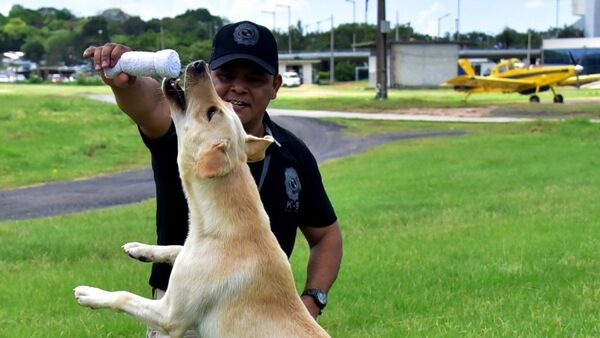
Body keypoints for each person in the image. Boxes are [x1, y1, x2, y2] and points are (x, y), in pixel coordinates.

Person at [83, 20, 342, 335]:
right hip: (181, 308)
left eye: (254, 78)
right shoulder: (183, 130)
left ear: (275, 85)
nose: (238, 87)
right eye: (226, 75)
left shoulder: (292, 153)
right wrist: (124, 77)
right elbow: (149, 99)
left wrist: (311, 302)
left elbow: (326, 236)